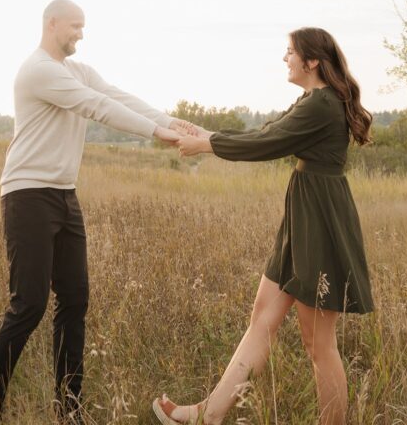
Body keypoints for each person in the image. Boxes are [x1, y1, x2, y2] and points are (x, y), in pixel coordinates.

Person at [0, 0, 192, 424]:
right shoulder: (38, 70)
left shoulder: (79, 71)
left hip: (64, 196)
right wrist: (158, 133)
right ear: (52, 24)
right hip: (27, 194)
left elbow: (116, 95)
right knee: (28, 306)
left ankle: (68, 409)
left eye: (83, 27)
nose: (81, 35)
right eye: (75, 26)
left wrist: (174, 122)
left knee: (75, 299)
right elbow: (97, 108)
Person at [153, 27, 374, 425]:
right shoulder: (311, 100)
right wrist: (206, 134)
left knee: (318, 343)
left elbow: (266, 146)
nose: (284, 59)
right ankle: (208, 415)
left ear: (311, 61)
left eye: (290, 53)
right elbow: (266, 133)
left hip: (321, 225)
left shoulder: (323, 105)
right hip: (303, 219)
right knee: (263, 318)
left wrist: (206, 146)